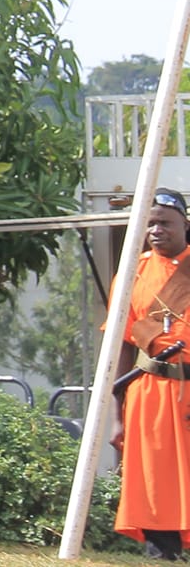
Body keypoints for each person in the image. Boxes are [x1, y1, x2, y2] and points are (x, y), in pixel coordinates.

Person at [109, 188, 190, 559]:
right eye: (150, 223)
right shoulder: (132, 272)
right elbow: (122, 344)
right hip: (149, 392)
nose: (156, 230)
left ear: (184, 224)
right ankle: (162, 552)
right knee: (157, 480)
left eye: (165, 223)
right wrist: (116, 416)